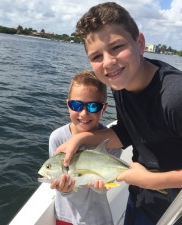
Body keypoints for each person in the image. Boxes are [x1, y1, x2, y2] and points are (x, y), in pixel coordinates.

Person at [55, 2, 182, 225]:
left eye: (116, 47)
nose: (108, 63)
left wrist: (152, 181)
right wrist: (83, 138)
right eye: (96, 56)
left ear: (140, 43)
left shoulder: (177, 98)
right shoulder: (120, 85)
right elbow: (127, 131)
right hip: (141, 199)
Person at [49, 70, 121, 225]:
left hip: (98, 219)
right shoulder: (57, 138)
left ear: (104, 108)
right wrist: (63, 188)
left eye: (93, 106)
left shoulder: (111, 141)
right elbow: (57, 180)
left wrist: (101, 187)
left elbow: (107, 185)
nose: (83, 113)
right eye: (76, 105)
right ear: (68, 104)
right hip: (65, 217)